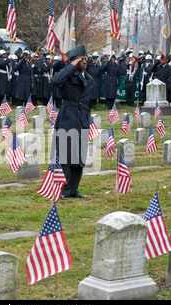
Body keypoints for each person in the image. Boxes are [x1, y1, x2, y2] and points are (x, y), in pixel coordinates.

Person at [52, 45, 95, 200]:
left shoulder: (88, 78)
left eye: (86, 59)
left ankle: (74, 189)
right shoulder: (67, 77)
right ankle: (64, 189)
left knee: (79, 156)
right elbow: (56, 80)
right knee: (66, 155)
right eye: (82, 60)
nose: (86, 62)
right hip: (68, 118)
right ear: (74, 61)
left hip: (82, 119)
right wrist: (71, 66)